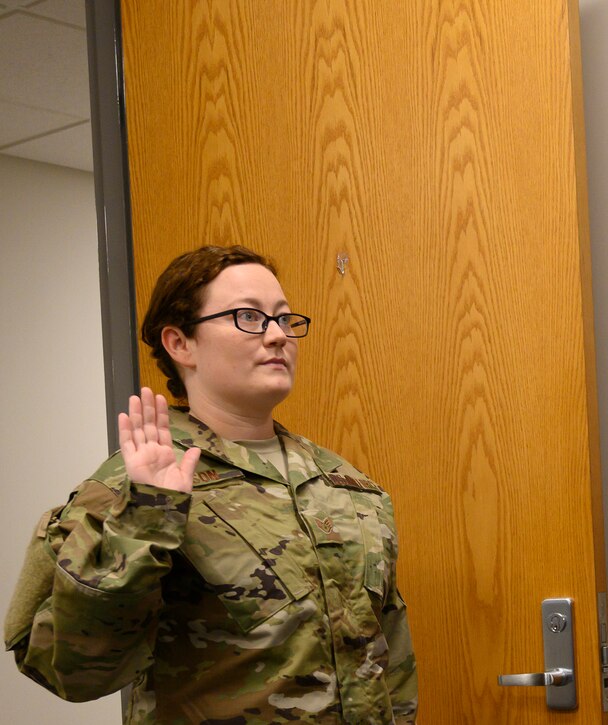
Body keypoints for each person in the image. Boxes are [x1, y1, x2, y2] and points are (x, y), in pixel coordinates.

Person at [4, 246, 418, 723]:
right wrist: (147, 518)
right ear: (181, 344)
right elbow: (70, 674)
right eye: (249, 317)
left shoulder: (347, 485)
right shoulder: (133, 484)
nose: (279, 336)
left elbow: (390, 658)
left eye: (285, 319)